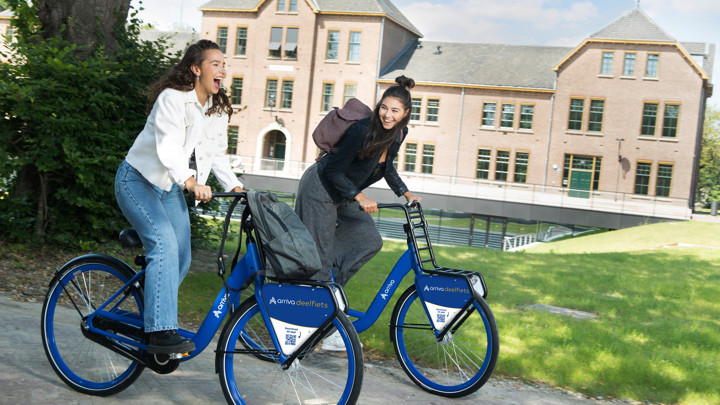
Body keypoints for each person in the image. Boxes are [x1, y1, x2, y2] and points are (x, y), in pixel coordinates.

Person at [115, 39, 243, 354]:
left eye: (224, 64)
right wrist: (189, 181)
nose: (223, 69)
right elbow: (168, 147)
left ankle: (151, 302)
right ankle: (160, 332)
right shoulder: (172, 99)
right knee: (166, 244)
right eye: (216, 63)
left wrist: (236, 187)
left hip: (167, 189)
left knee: (181, 256)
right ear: (195, 69)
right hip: (137, 181)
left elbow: (216, 154)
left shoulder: (216, 110)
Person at [296, 74, 422, 295]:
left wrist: (406, 193)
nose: (387, 115)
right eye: (384, 108)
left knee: (368, 239)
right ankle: (314, 300)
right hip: (321, 187)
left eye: (395, 111)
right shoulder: (363, 130)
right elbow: (333, 169)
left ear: (406, 114)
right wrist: (359, 196)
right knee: (320, 258)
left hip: (344, 192)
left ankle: (330, 289)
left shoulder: (399, 133)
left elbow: (386, 166)